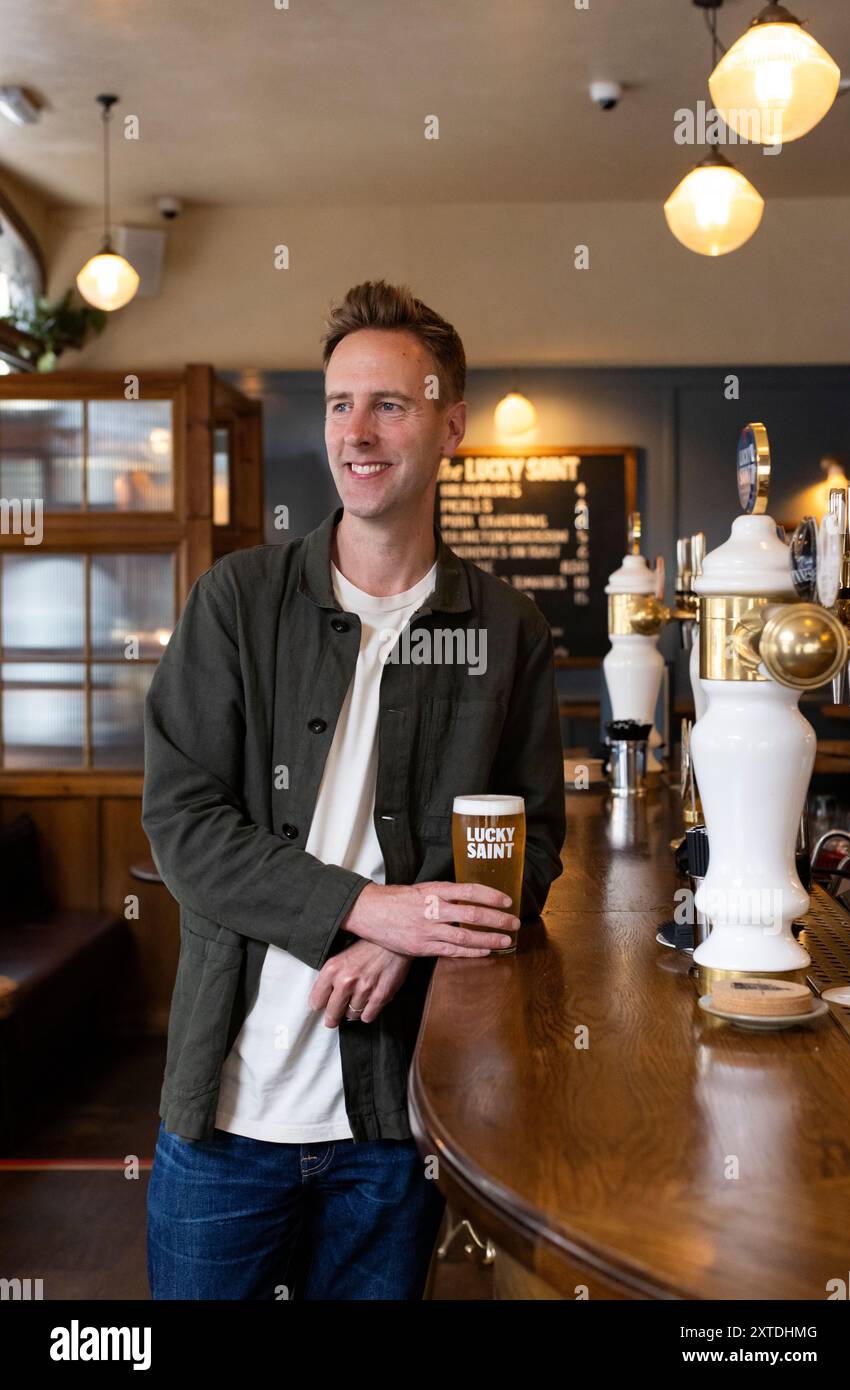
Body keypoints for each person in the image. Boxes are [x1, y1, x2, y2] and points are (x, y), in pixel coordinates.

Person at [143, 279, 566, 1300]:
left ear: (451, 425)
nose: (358, 432)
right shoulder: (238, 602)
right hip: (227, 1114)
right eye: (340, 403)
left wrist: (395, 940)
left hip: (395, 1120)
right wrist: (367, 910)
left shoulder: (508, 632)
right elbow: (184, 828)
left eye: (391, 403)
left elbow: (533, 846)